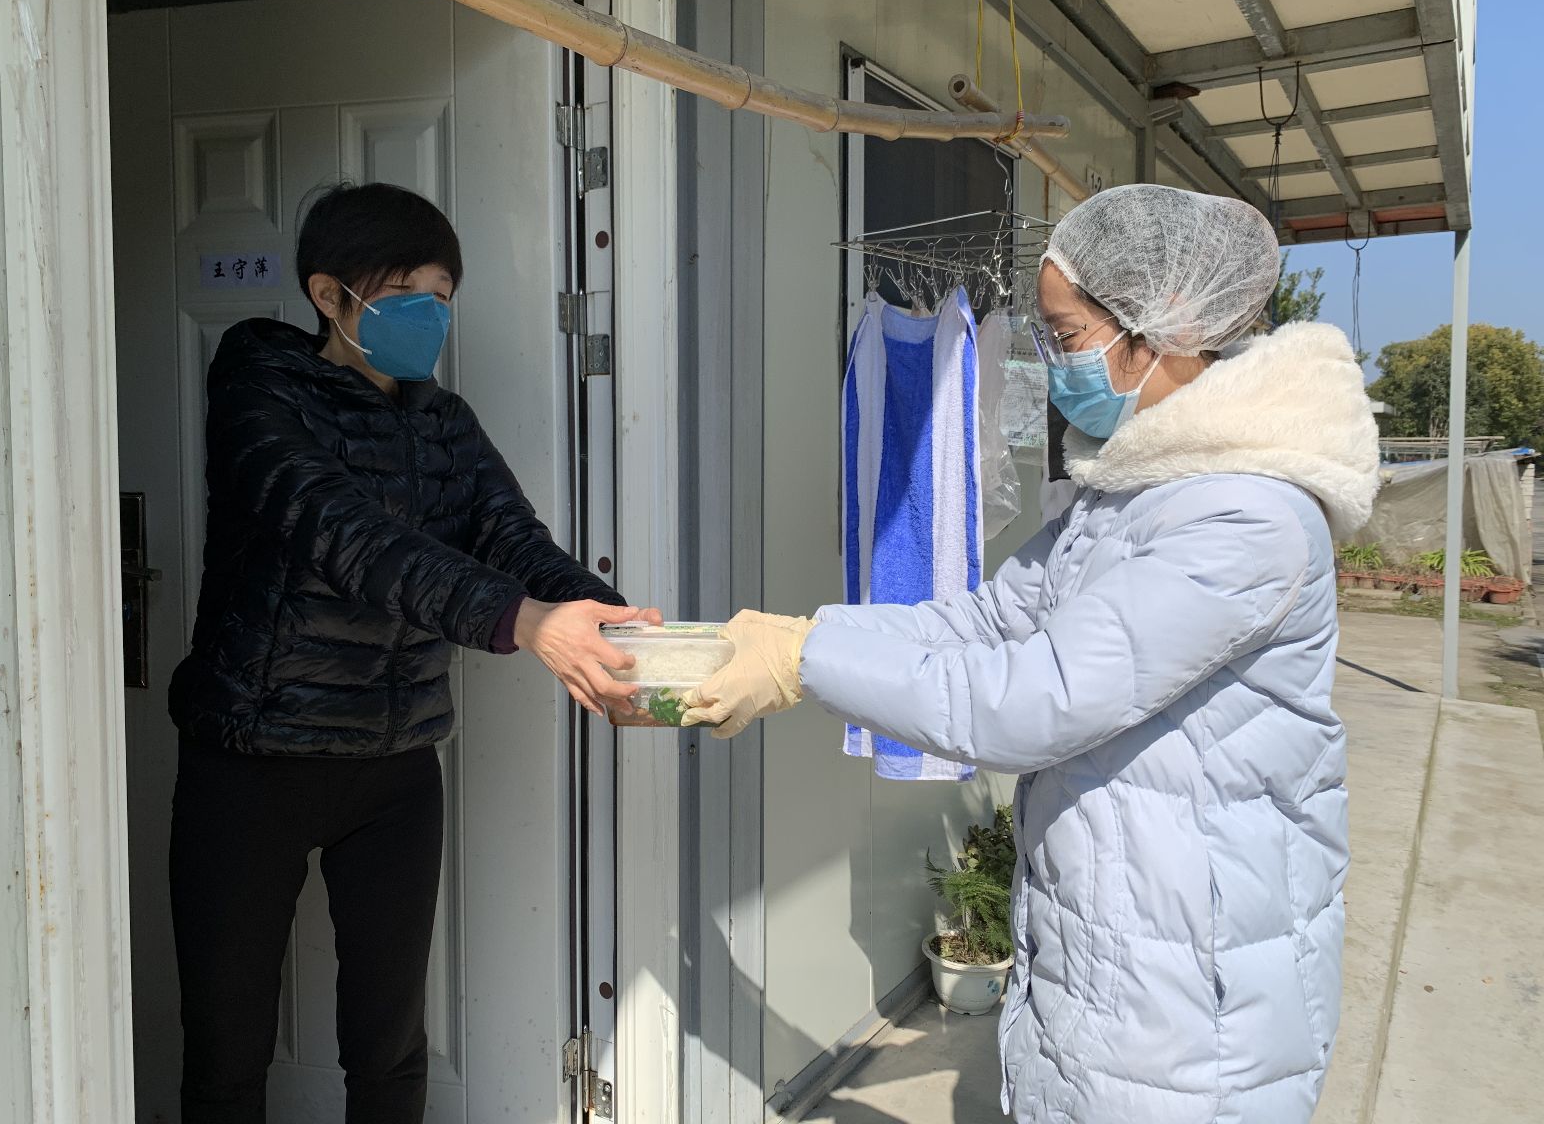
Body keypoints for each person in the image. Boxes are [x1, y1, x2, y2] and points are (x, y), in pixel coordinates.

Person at [682, 185, 1380, 1122]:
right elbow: (987, 621)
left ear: (1164, 328)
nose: (1052, 364)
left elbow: (1031, 700)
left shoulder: (1246, 517)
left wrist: (805, 663)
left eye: (1067, 335)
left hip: (1192, 1003)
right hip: (1115, 952)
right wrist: (799, 636)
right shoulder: (1130, 493)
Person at [167, 182, 657, 1124]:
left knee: (390, 1045)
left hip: (393, 769)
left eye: (441, 296)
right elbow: (347, 538)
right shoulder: (258, 394)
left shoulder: (444, 422)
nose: (428, 317)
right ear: (330, 296)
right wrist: (525, 623)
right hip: (251, 761)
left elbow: (512, 539)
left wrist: (618, 629)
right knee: (226, 1048)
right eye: (404, 297)